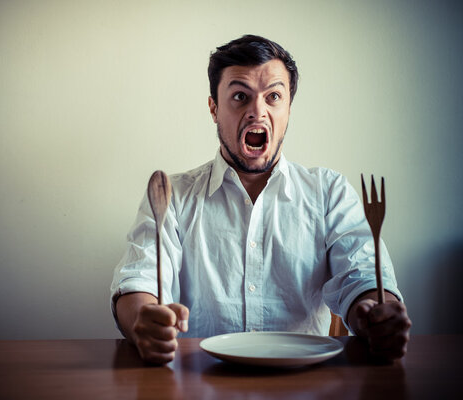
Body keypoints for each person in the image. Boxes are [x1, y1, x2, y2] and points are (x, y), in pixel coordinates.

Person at [110, 35, 411, 364]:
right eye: (240, 96)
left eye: (273, 97)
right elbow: (138, 280)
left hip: (307, 384)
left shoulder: (330, 192)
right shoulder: (172, 195)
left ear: (288, 108)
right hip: (199, 383)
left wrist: (373, 315)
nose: (257, 111)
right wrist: (143, 322)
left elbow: (363, 277)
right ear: (214, 108)